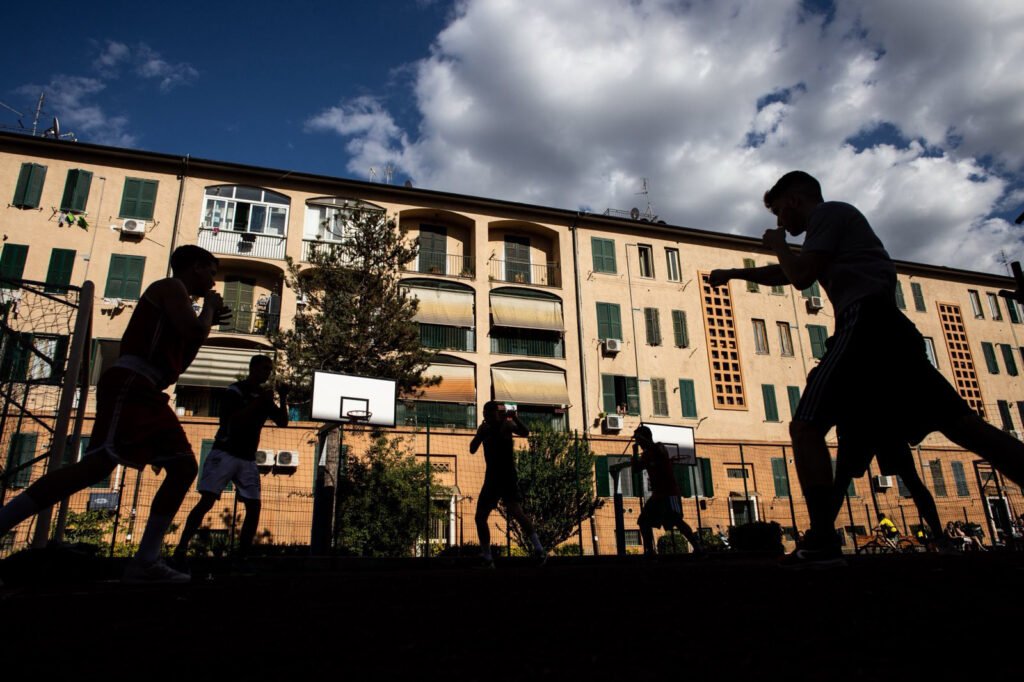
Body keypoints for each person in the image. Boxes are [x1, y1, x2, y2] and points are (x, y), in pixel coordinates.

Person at [709, 171, 1024, 567]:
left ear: (791, 201)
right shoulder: (832, 230)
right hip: (891, 330)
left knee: (806, 427)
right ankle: (824, 534)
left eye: (777, 214)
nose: (779, 225)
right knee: (960, 424)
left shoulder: (829, 214)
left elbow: (801, 275)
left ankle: (822, 539)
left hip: (863, 324)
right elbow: (789, 273)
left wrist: (777, 246)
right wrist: (736, 274)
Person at [0, 245, 229, 583]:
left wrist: (205, 317)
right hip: (130, 383)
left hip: (150, 390)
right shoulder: (170, 287)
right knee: (93, 468)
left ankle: (146, 561)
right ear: (195, 267)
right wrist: (207, 310)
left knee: (182, 468)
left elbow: (186, 350)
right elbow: (194, 332)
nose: (213, 282)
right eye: (210, 273)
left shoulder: (182, 302)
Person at [173, 354, 288, 567]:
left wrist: (282, 398)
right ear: (253, 368)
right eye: (264, 368)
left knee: (254, 506)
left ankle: (243, 554)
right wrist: (258, 403)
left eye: (270, 370)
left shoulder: (264, 397)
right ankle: (181, 546)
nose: (267, 373)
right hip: (225, 452)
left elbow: (282, 422)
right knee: (207, 501)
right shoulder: (235, 391)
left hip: (247, 457)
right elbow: (232, 421)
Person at [830, 421, 947, 550]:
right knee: (912, 480)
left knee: (840, 483)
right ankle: (940, 537)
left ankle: (822, 533)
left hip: (861, 427)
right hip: (886, 426)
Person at [469, 401, 545, 567]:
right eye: (485, 413)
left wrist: (515, 419)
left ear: (497, 413)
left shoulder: (507, 425)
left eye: (490, 413)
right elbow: (472, 449)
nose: (487, 416)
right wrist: (479, 435)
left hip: (506, 476)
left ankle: (539, 549)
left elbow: (525, 432)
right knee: (480, 517)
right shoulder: (484, 429)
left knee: (516, 512)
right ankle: (488, 558)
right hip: (492, 478)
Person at [631, 426, 704, 557]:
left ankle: (698, 548)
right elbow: (636, 469)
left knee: (676, 520)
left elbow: (659, 453)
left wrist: (642, 441)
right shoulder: (646, 455)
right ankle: (650, 551)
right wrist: (635, 453)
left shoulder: (659, 447)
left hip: (670, 492)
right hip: (657, 495)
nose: (638, 443)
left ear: (645, 438)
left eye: (639, 440)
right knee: (643, 521)